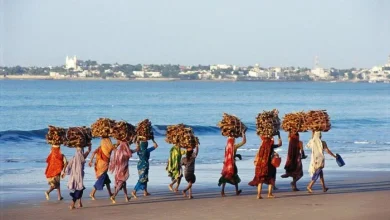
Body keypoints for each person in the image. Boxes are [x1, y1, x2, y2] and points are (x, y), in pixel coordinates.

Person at [218, 131, 246, 197]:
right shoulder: (235, 146)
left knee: (225, 176)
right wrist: (243, 133)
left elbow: (226, 155)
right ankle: (236, 191)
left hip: (226, 164)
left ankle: (222, 191)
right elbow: (244, 141)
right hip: (232, 164)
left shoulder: (226, 147)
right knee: (235, 175)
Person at [66, 144, 91, 210]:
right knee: (79, 188)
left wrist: (65, 172)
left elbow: (69, 165)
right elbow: (86, 153)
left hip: (75, 175)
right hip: (79, 175)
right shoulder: (81, 156)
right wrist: (89, 147)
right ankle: (72, 204)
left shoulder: (74, 157)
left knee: (80, 188)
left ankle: (79, 202)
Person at [109, 139, 135, 203]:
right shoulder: (126, 152)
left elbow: (113, 153)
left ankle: (126, 197)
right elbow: (133, 152)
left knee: (123, 183)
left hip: (118, 169)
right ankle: (114, 195)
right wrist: (138, 144)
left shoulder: (117, 151)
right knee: (121, 182)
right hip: (123, 169)